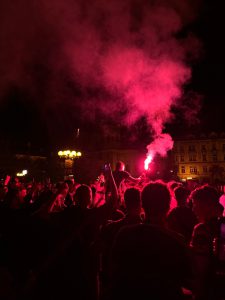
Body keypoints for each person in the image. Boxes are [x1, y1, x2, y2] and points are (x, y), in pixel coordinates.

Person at [110, 180, 191, 300]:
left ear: (142, 205)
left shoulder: (124, 235)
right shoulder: (177, 241)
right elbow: (188, 279)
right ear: (168, 206)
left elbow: (114, 273)